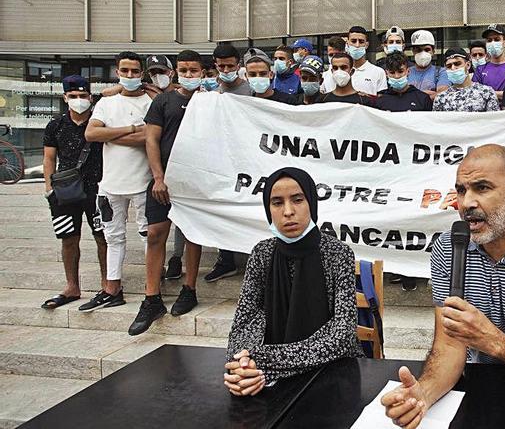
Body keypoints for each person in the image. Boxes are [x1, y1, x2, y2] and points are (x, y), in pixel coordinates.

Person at [380, 145, 505, 427]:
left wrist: (492, 341)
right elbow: (450, 344)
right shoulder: (449, 247)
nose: (467, 203)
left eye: (482, 188)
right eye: (462, 190)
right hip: (478, 388)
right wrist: (424, 395)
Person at [224, 167, 362, 393]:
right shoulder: (262, 254)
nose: (288, 211)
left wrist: (266, 362)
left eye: (297, 200)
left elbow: (342, 336)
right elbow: (242, 325)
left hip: (332, 375)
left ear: (312, 203)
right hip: (268, 380)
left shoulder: (338, 254)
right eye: (277, 203)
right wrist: (243, 365)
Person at [127, 50, 207, 335]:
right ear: (175, 72)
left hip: (197, 182)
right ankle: (151, 299)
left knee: (192, 234)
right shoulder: (162, 101)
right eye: (183, 69)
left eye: (193, 69)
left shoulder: (211, 102)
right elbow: (151, 140)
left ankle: (190, 289)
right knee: (155, 233)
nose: (188, 74)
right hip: (163, 182)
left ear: (202, 72)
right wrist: (158, 177)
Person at [82, 51, 153, 311]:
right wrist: (132, 128)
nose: (130, 76)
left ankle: (151, 287)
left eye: (135, 71)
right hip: (111, 183)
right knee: (113, 237)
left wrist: (109, 135)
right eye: (125, 71)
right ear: (117, 72)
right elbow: (91, 133)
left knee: (148, 235)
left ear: (142, 73)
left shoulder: (150, 100)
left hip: (144, 181)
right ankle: (112, 288)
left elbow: (149, 137)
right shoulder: (106, 102)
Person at [40, 75, 107, 310]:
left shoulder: (100, 121)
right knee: (69, 238)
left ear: (90, 97)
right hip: (65, 190)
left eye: (83, 96)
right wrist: (50, 189)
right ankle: (72, 285)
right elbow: (49, 157)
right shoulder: (56, 124)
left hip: (98, 188)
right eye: (73, 97)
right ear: (65, 98)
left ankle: (106, 284)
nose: (78, 100)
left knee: (103, 237)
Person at [210, 43, 251, 281]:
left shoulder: (250, 91)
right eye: (221, 66)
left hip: (246, 160)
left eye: (230, 66)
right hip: (220, 161)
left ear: (238, 66)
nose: (225, 70)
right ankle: (225, 258)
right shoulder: (208, 94)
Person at [321, 26, 387, 97]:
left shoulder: (378, 72)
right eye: (353, 41)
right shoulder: (329, 74)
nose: (357, 45)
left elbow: (381, 101)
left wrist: (368, 98)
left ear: (366, 45)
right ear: (347, 43)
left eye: (361, 41)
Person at [432, 48, 499, 112]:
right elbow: (438, 122)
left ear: (468, 65)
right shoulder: (441, 98)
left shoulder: (486, 92)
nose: (453, 68)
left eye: (457, 64)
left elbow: (494, 121)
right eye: (449, 66)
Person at [472, 24, 505, 101]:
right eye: (489, 40)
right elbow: (475, 94)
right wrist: (503, 94)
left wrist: (487, 93)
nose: (493, 43)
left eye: (497, 39)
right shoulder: (480, 69)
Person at [100, 54, 178, 99]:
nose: (157, 75)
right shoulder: (146, 90)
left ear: (172, 73)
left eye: (161, 71)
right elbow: (105, 92)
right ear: (149, 75)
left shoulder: (181, 92)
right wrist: (138, 84)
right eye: (153, 72)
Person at [407, 30, 450, 101]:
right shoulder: (406, 72)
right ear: (413, 52)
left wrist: (413, 96)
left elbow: (442, 95)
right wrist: (429, 94)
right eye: (418, 50)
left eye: (427, 50)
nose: (423, 53)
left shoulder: (441, 72)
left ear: (433, 51)